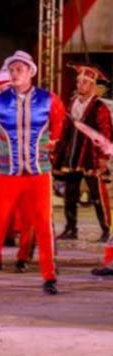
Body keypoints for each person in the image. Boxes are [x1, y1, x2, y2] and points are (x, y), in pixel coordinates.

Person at [0, 51, 66, 295]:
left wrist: (44, 149)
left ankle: (49, 276)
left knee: (42, 224)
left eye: (21, 69)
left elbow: (58, 130)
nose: (15, 73)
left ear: (31, 72)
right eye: (12, 69)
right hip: (6, 173)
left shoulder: (49, 99)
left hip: (38, 173)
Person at [55, 63, 111, 242]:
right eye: (79, 82)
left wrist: (103, 158)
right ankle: (71, 228)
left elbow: (106, 133)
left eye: (85, 83)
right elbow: (65, 130)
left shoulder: (99, 107)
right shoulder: (72, 103)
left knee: (97, 195)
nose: (80, 85)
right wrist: (58, 153)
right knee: (70, 194)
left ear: (93, 86)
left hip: (90, 157)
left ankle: (107, 229)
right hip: (72, 156)